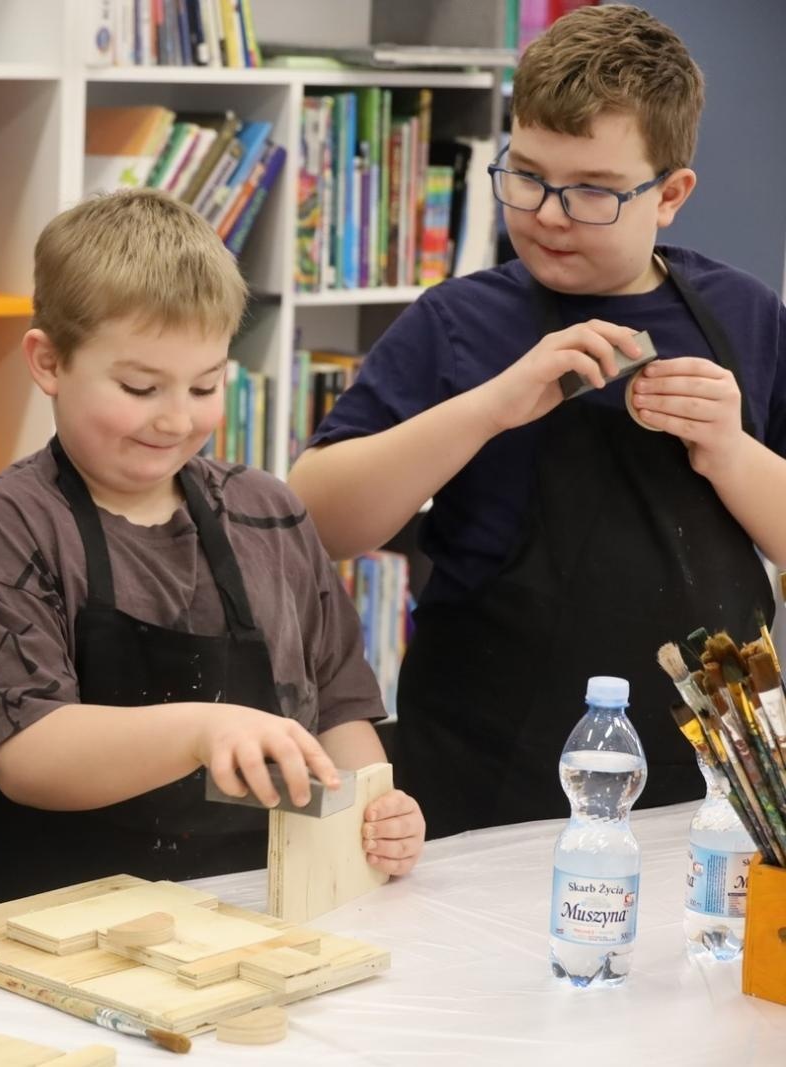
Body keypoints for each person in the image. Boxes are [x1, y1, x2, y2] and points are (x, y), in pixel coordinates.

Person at [287, 5, 786, 837]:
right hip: (482, 764)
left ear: (669, 195)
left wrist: (729, 450)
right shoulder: (457, 322)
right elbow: (315, 519)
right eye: (526, 176)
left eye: (591, 190)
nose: (550, 212)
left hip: (710, 778)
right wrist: (488, 408)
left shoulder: (746, 315)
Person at [0, 188, 424, 911]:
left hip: (246, 908)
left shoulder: (267, 513)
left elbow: (337, 706)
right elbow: (28, 755)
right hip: (53, 923)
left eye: (205, 385)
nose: (174, 419)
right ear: (48, 363)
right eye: (140, 386)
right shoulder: (15, 524)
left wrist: (374, 807)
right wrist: (203, 726)